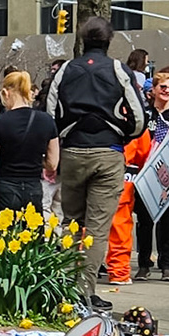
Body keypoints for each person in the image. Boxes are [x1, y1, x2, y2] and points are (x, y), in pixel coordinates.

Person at [41, 17, 145, 310]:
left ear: (82, 39)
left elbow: (49, 112)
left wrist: (62, 137)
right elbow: (138, 117)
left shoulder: (65, 70)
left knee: (70, 221)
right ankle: (85, 291)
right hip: (107, 151)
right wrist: (123, 134)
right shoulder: (117, 69)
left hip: (73, 151)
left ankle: (63, 286)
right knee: (98, 229)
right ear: (109, 40)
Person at [130, 70, 169, 281]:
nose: (167, 91)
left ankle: (167, 265)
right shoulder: (145, 114)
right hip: (146, 175)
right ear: (153, 89)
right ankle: (144, 264)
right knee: (145, 222)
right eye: (163, 87)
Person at [0, 69, 58, 213]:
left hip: (4, 188)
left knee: (4, 234)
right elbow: (52, 164)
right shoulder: (47, 121)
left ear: (5, 93)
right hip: (33, 189)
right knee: (31, 234)